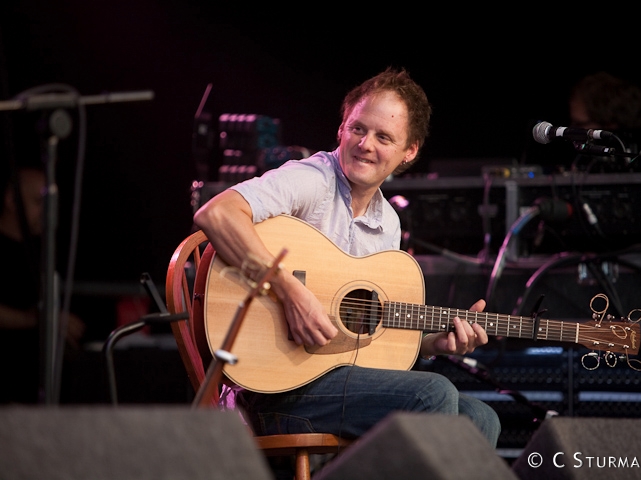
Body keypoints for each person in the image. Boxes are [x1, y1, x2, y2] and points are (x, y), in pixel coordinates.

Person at [194, 68, 501, 447]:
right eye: (358, 129)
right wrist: (290, 292)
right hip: (269, 390)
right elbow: (216, 214)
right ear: (341, 128)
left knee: (480, 418)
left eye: (383, 136)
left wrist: (432, 344)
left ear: (410, 151)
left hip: (332, 383)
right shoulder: (310, 180)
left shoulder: (387, 222)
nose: (365, 144)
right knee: (433, 395)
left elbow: (366, 334)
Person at [0, 164, 84, 403]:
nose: (46, 213)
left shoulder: (42, 254)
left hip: (38, 395)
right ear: (11, 200)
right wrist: (41, 319)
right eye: (38, 203)